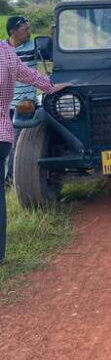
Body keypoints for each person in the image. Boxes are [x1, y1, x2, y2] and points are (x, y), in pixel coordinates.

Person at [0, 19, 68, 262]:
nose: (28, 30)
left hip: (16, 112)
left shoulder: (14, 51)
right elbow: (30, 75)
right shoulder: (7, 53)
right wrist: (52, 87)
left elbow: (33, 72)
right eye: (24, 27)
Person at [5, 17, 38, 182]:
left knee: (15, 142)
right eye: (25, 29)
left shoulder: (33, 46)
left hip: (24, 104)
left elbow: (53, 52)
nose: (28, 31)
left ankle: (11, 179)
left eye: (28, 28)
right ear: (13, 32)